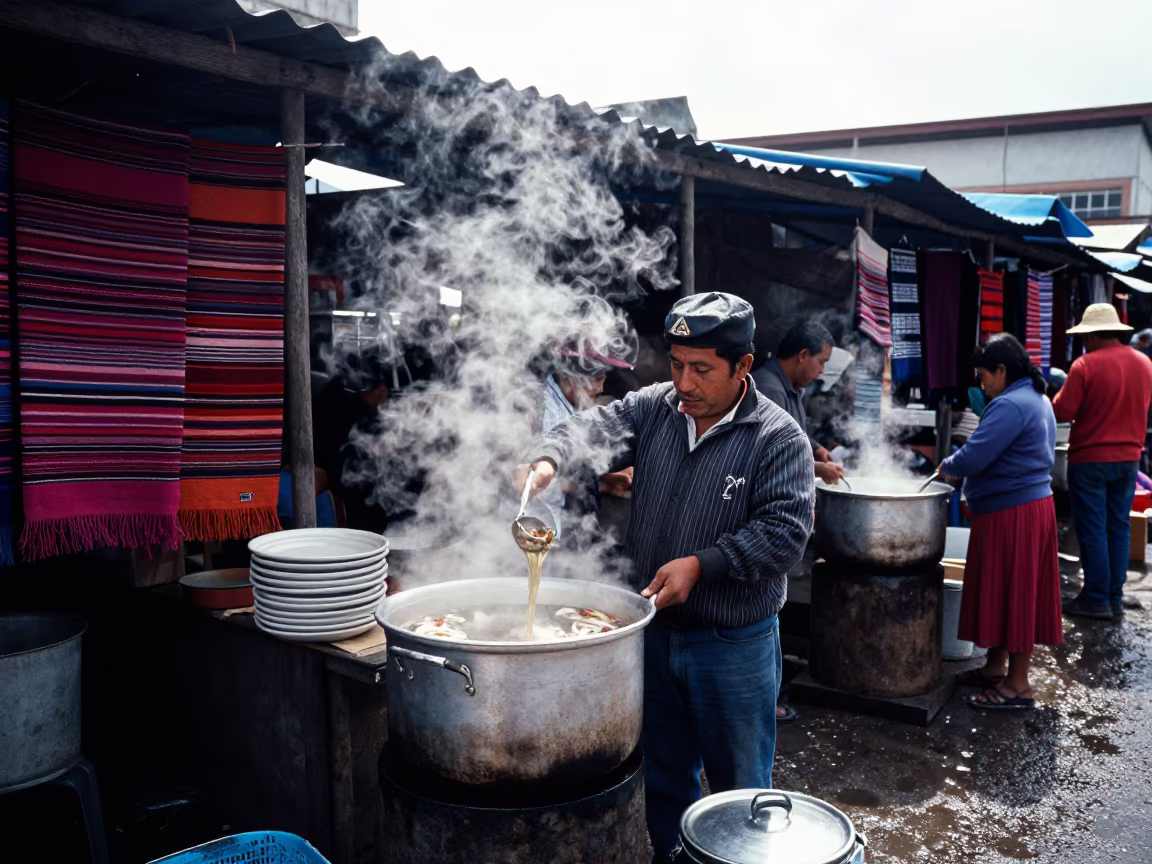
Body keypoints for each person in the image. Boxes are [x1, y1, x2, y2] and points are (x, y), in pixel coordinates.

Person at [514, 292, 814, 863]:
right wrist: (549, 457)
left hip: (734, 646)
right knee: (663, 777)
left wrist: (705, 564)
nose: (686, 382)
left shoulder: (777, 439)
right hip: (654, 633)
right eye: (677, 365)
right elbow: (588, 429)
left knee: (740, 794)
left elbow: (785, 532)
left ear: (743, 366)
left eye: (702, 369)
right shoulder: (655, 408)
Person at [939, 334, 1061, 711]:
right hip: (1023, 508)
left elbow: (976, 454)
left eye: (984, 375)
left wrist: (948, 466)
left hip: (1016, 512)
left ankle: (1018, 684)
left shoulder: (1011, 404)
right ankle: (995, 667)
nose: (981, 383)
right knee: (1005, 589)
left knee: (1017, 594)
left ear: (1002, 370)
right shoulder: (1036, 398)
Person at [1054, 303, 1152, 619]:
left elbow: (1063, 411)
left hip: (1091, 458)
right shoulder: (1144, 364)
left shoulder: (1085, 365)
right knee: (1118, 526)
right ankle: (1111, 595)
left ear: (1093, 337)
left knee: (1093, 527)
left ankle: (1096, 598)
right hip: (1129, 459)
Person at [535, 346, 634, 546]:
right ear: (571, 377)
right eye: (597, 380)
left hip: (561, 529)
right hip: (533, 526)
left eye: (603, 379)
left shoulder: (569, 406)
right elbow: (525, 475)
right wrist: (591, 482)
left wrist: (602, 480)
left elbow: (569, 472)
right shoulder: (537, 406)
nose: (601, 388)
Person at [751, 321, 846, 486]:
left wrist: (816, 449)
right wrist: (818, 469)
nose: (822, 370)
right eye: (821, 362)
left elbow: (789, 435)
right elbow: (771, 458)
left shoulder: (790, 388)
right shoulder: (769, 391)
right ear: (803, 355)